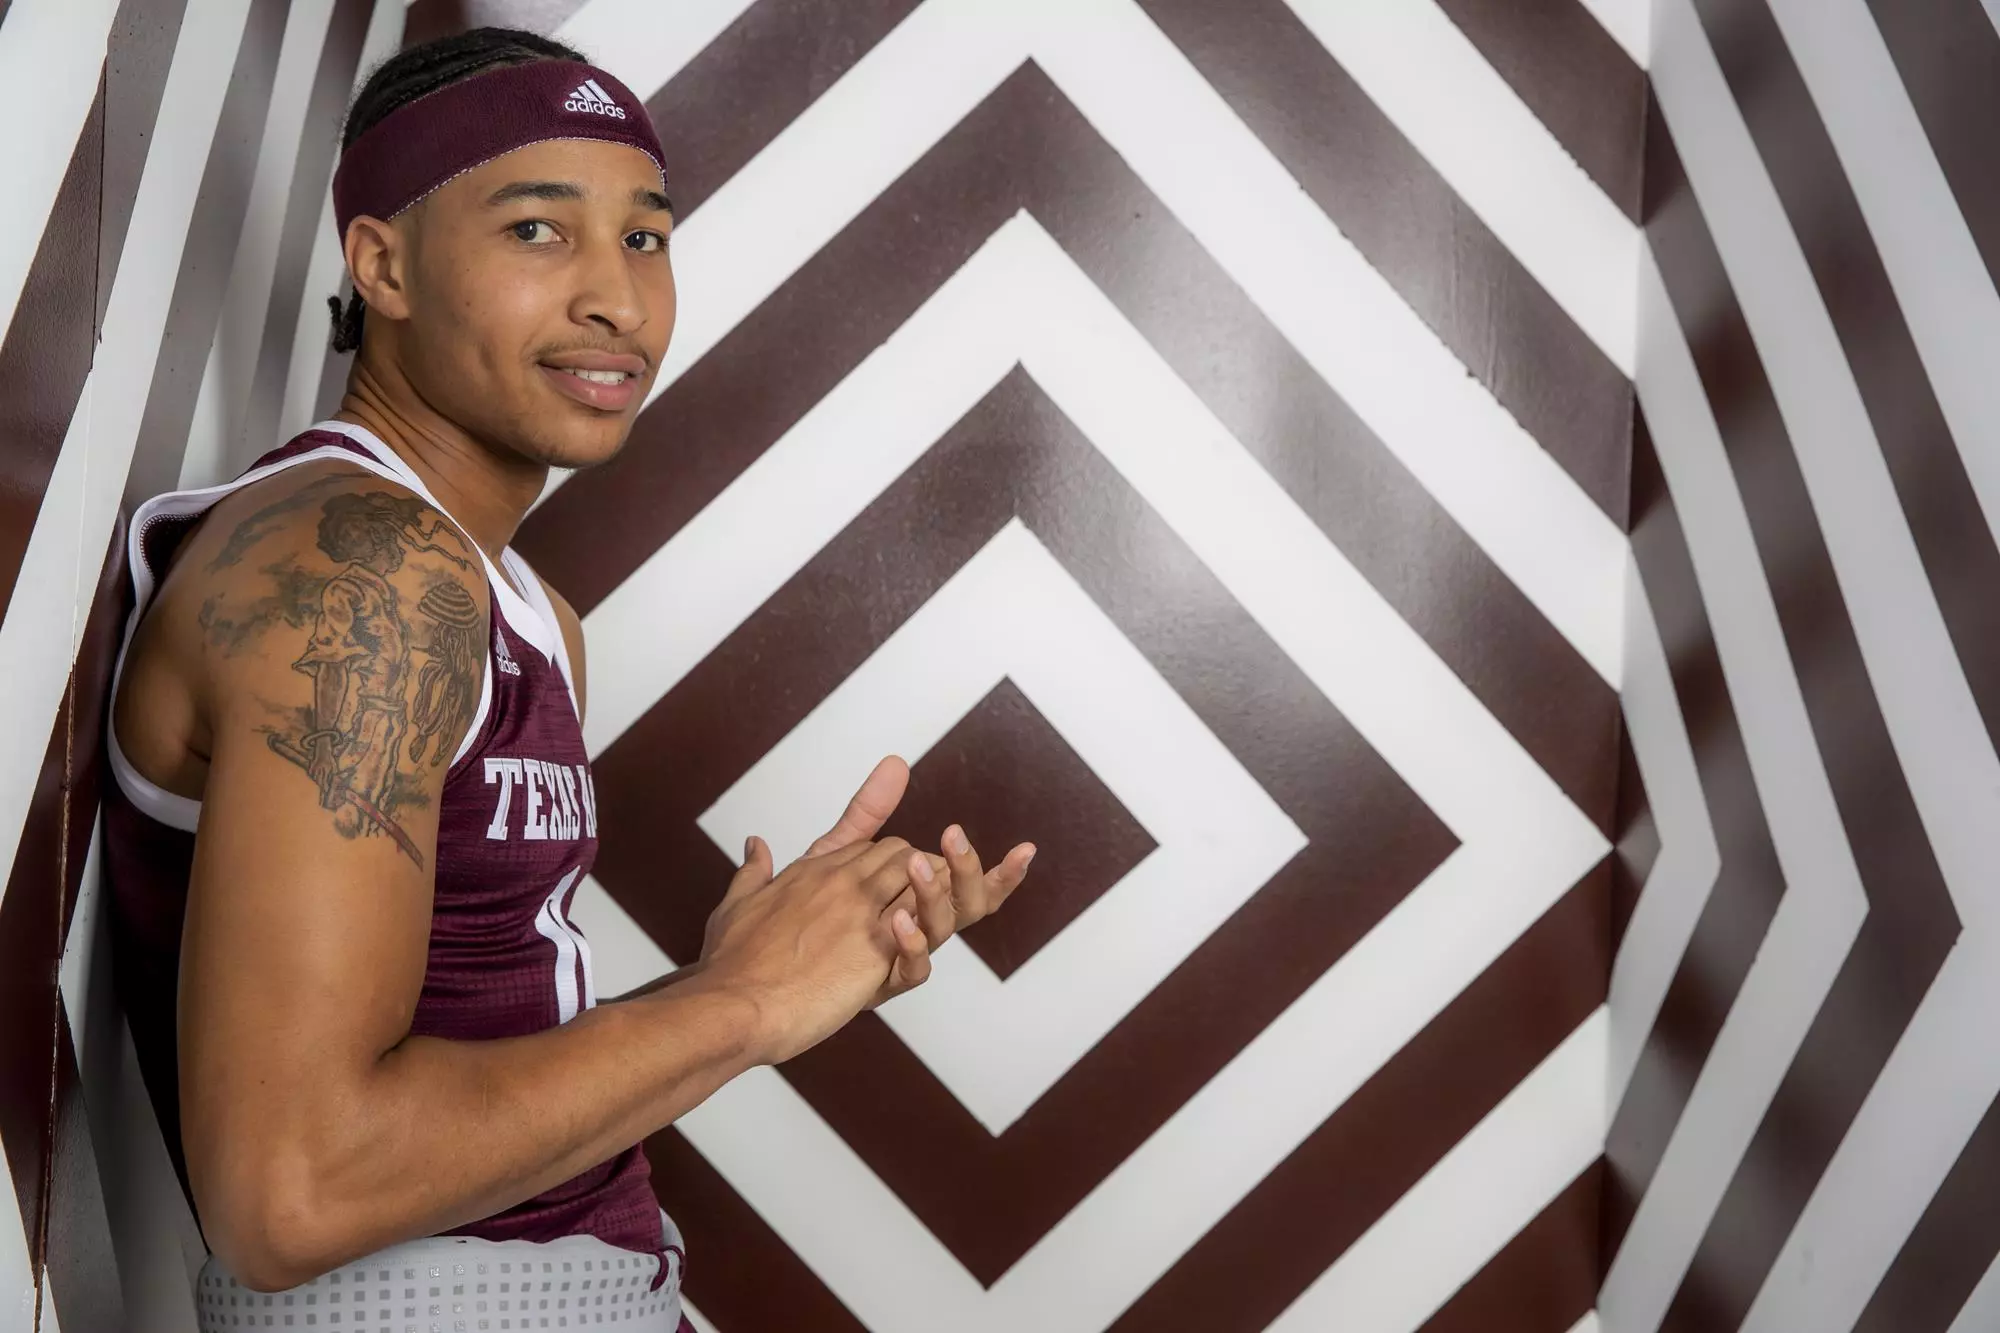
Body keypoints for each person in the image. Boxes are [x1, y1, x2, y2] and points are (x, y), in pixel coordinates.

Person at [102, 28, 1034, 1330]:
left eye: (645, 238)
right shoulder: (365, 570)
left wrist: (764, 967)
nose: (617, 298)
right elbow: (292, 1194)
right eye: (538, 231)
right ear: (382, 264)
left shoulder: (522, 608)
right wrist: (739, 1005)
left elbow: (474, 1064)